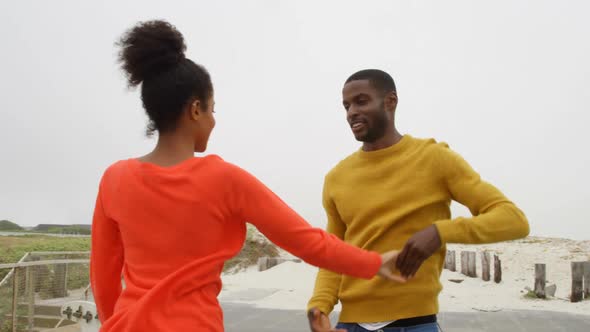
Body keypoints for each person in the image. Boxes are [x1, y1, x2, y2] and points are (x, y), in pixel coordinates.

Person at [89, 22, 406, 332]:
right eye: (213, 109)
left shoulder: (115, 178)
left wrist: (114, 321)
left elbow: (103, 274)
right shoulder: (222, 179)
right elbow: (306, 241)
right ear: (195, 110)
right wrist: (374, 263)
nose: (213, 121)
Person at [307, 69, 530, 332]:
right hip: (349, 324)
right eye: (346, 106)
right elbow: (334, 255)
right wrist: (319, 306)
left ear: (391, 101)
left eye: (361, 101)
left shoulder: (434, 158)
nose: (351, 112)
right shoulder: (337, 177)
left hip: (415, 324)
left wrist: (440, 232)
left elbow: (513, 219)